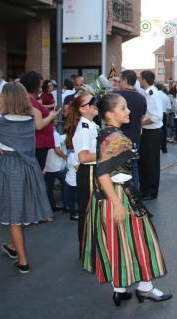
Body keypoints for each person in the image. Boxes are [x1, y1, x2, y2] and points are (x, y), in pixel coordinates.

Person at [81, 93, 172, 306]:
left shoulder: (105, 133)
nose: (128, 111)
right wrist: (118, 204)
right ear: (110, 114)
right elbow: (102, 173)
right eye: (123, 108)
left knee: (116, 242)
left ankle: (120, 289)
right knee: (140, 241)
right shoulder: (119, 139)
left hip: (104, 197)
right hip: (119, 195)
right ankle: (145, 288)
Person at [0, 83, 53, 274]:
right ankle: (13, 247)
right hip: (28, 167)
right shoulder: (29, 119)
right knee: (19, 212)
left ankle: (23, 262)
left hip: (9, 168)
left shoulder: (1, 123)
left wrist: (1, 150)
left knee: (13, 217)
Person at [66, 92, 98, 253]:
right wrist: (107, 153)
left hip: (93, 170)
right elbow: (84, 157)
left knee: (93, 212)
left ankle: (92, 250)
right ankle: (87, 253)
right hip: (88, 171)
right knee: (88, 213)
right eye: (90, 102)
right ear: (83, 109)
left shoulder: (91, 124)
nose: (95, 103)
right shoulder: (84, 128)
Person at [20, 71, 58, 171]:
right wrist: (51, 116)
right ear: (33, 86)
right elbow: (38, 125)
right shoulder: (31, 101)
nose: (41, 89)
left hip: (38, 144)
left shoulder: (30, 100)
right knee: (35, 173)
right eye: (40, 86)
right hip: (38, 145)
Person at [116, 70, 147, 190]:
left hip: (120, 136)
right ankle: (135, 194)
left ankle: (123, 193)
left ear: (124, 80)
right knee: (134, 166)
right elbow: (141, 118)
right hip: (135, 136)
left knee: (120, 166)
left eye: (120, 81)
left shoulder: (117, 96)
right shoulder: (142, 98)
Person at [138, 70, 163, 200]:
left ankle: (151, 192)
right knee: (144, 162)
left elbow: (157, 117)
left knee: (151, 163)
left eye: (140, 79)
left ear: (145, 80)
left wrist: (140, 123)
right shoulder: (147, 93)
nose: (139, 81)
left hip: (153, 132)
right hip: (147, 131)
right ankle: (145, 189)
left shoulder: (153, 95)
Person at [43, 123, 70, 214]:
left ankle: (51, 206)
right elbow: (57, 149)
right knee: (66, 185)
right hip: (58, 165)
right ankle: (67, 205)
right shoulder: (54, 133)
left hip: (48, 165)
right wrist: (66, 157)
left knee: (48, 187)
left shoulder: (42, 132)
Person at [156, 83, 171, 152]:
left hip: (156, 114)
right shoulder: (166, 96)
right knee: (164, 131)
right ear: (162, 88)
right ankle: (164, 148)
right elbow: (169, 108)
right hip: (164, 114)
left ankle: (157, 146)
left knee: (156, 130)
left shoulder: (154, 95)